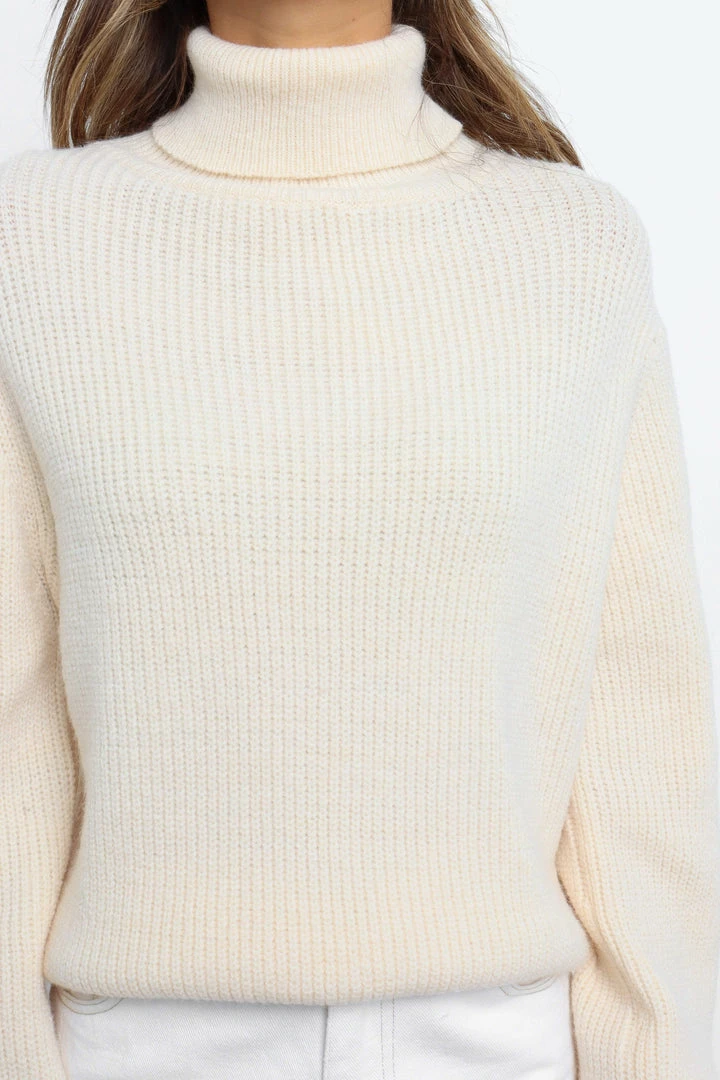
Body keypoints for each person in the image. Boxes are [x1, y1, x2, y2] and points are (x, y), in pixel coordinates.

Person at [1, 0, 718, 1077]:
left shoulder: (573, 244)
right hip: (144, 1042)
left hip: (496, 1044)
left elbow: (638, 735)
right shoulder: (33, 239)